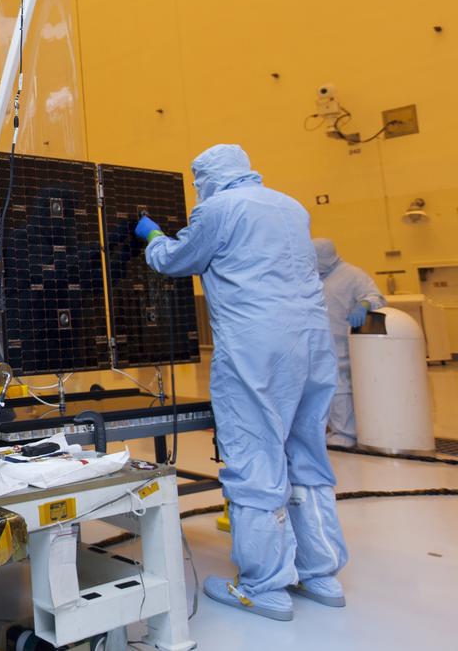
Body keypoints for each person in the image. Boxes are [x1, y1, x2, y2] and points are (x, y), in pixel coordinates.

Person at [133, 144, 348, 621]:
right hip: (312, 344)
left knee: (255, 457)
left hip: (257, 347)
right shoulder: (290, 206)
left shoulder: (219, 209)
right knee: (307, 455)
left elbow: (177, 260)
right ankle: (321, 573)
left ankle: (263, 586)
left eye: (197, 182)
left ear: (208, 177)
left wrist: (154, 238)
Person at [312, 238, 386, 447]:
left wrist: (364, 305)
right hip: (320, 342)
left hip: (342, 341)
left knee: (340, 386)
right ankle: (334, 429)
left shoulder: (352, 274)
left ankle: (346, 433)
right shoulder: (315, 277)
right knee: (324, 388)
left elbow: (375, 296)